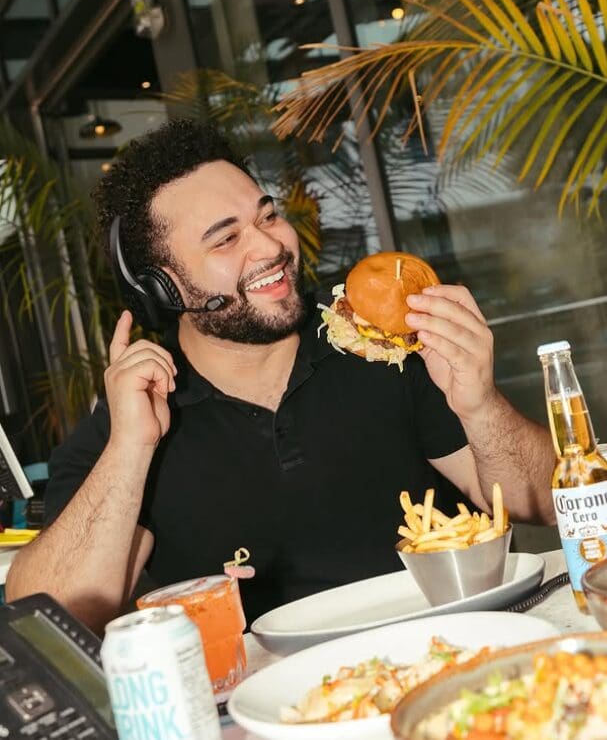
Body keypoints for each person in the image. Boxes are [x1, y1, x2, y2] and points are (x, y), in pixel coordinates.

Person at [5, 120, 555, 633]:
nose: (271, 247)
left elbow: (546, 504)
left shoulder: (382, 341)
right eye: (225, 239)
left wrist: (480, 404)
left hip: (464, 644)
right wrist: (130, 448)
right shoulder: (134, 422)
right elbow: (48, 614)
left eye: (267, 216)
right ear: (163, 288)